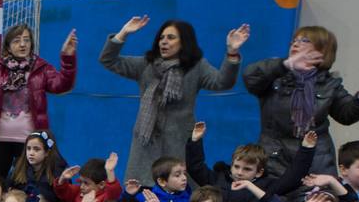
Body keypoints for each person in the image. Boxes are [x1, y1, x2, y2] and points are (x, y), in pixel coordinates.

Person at [99, 15, 250, 184]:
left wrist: (232, 52)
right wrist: (124, 33)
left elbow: (222, 82)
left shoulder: (196, 66)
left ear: (184, 42)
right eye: (161, 38)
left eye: (171, 38)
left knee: (180, 193)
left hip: (179, 144)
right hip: (146, 145)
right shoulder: (146, 65)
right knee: (143, 193)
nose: (164, 42)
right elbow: (108, 60)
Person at [243, 26, 359, 179]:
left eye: (304, 40)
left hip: (315, 160)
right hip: (274, 157)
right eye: (294, 41)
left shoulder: (329, 84)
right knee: (272, 201)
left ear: (323, 49)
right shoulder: (276, 75)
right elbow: (251, 78)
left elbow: (346, 115)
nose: (295, 44)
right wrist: (285, 65)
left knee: (319, 201)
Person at [0, 24, 78, 183]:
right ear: (8, 46)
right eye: (17, 41)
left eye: (26, 40)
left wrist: (67, 57)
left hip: (29, 141)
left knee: (27, 185)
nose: (23, 44)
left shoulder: (42, 69)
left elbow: (63, 85)